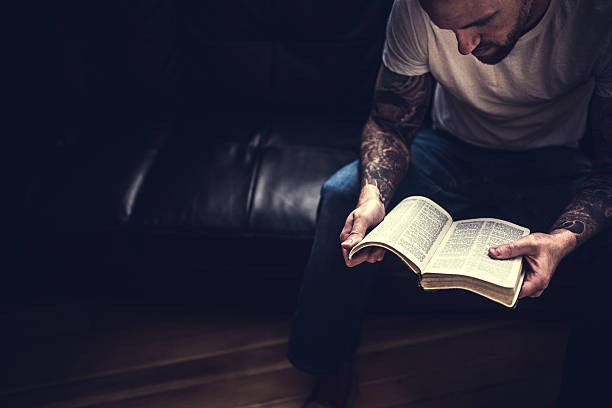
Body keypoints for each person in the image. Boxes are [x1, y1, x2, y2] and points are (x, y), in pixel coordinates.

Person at [286, 0, 612, 407]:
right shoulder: (413, 9)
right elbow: (390, 122)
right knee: (341, 195)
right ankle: (329, 369)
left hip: (552, 163)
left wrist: (562, 239)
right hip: (448, 151)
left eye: (479, 24)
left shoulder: (596, 18)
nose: (463, 46)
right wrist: (373, 198)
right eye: (449, 29)